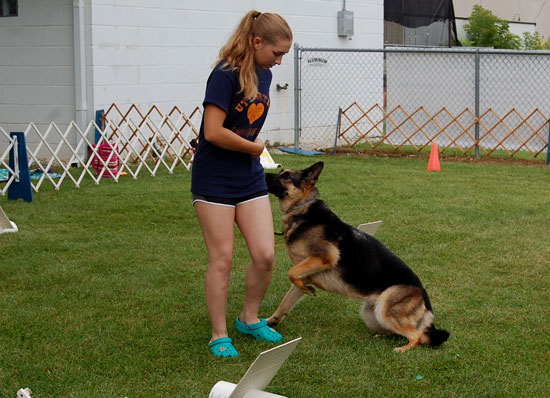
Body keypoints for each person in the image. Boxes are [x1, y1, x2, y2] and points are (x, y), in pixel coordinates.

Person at [191, 10, 293, 358]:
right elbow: (212, 131)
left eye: (284, 55)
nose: (279, 62)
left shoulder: (263, 74)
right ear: (257, 42)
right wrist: (255, 147)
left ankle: (249, 319)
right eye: (276, 53)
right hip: (214, 180)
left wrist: (252, 151)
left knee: (265, 255)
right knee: (222, 259)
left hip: (247, 177)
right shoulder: (224, 75)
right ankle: (218, 335)